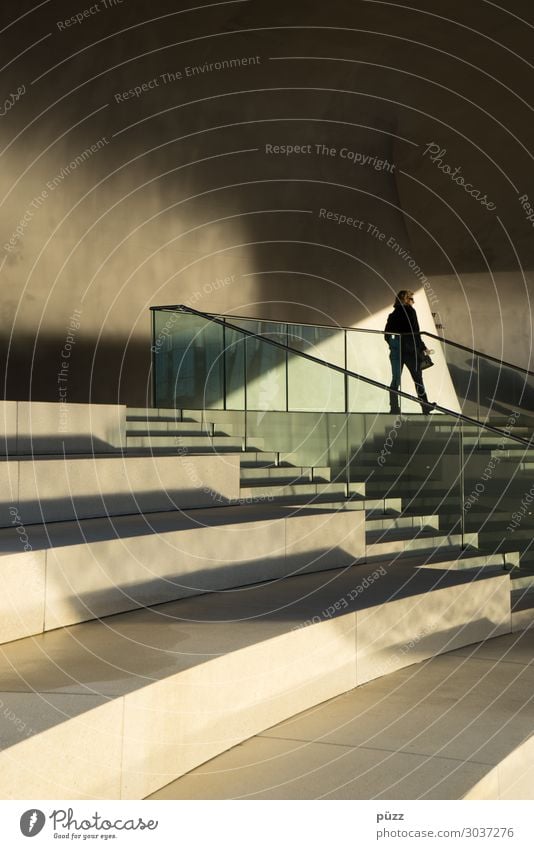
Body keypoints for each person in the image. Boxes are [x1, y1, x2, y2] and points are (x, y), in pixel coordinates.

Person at [384, 290, 434, 414]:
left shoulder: (392, 315)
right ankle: (425, 406)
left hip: (397, 351)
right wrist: (423, 347)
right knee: (418, 379)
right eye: (411, 299)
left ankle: (394, 407)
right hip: (410, 350)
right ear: (405, 299)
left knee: (395, 380)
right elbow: (415, 332)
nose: (413, 302)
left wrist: (393, 345)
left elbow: (386, 335)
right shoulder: (410, 312)